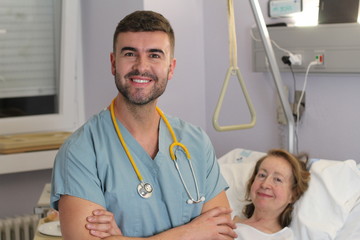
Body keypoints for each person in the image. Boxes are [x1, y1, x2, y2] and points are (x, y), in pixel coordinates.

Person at [50, 10, 237, 240]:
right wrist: (192, 232)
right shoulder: (80, 151)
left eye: (155, 55)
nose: (141, 66)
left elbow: (223, 234)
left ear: (171, 67)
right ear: (113, 63)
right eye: (130, 53)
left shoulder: (196, 142)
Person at [233, 149, 310, 239]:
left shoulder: (282, 238)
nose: (265, 184)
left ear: (293, 195)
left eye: (277, 179)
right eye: (262, 175)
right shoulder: (226, 218)